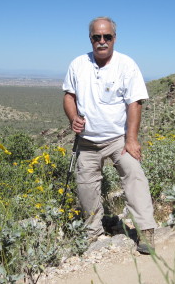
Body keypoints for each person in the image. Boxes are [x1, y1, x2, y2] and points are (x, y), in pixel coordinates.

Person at [62, 16, 157, 255]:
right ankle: (93, 234)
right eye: (97, 37)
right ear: (91, 39)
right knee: (86, 186)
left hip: (118, 140)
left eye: (107, 37)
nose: (102, 41)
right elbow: (69, 96)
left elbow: (134, 103)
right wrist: (73, 118)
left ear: (114, 38)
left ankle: (145, 231)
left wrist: (131, 139)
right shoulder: (78, 65)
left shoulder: (127, 65)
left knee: (134, 174)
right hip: (86, 141)